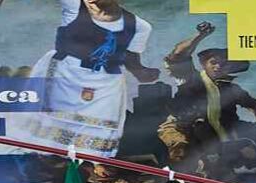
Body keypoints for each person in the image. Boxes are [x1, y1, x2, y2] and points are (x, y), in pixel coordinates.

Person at [22, 0, 161, 157]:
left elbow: (131, 60)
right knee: (52, 128)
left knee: (96, 133)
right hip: (65, 74)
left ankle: (89, 169)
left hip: (105, 84)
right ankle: (48, 165)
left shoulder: (139, 26)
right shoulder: (74, 5)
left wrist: (143, 72)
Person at [159, 22, 256, 175]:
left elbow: (253, 103)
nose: (218, 67)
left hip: (213, 135)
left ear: (230, 68)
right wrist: (200, 36)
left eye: (224, 64)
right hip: (181, 128)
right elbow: (177, 56)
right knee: (181, 152)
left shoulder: (231, 89)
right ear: (205, 64)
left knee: (246, 149)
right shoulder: (190, 78)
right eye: (214, 62)